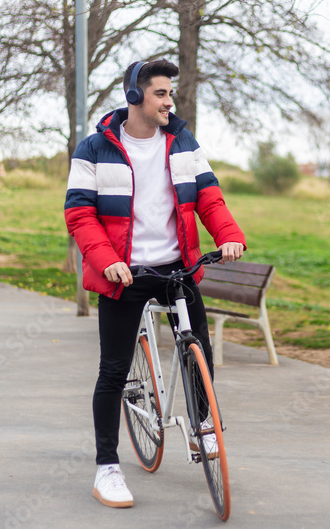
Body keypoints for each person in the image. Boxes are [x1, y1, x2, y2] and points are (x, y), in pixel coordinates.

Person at [64, 58, 246, 509]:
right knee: (113, 371)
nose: (170, 101)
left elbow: (208, 196)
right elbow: (80, 214)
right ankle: (107, 468)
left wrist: (228, 235)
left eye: (171, 93)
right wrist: (108, 262)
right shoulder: (94, 149)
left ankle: (205, 429)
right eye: (161, 93)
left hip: (174, 268)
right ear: (134, 97)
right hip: (125, 273)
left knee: (196, 351)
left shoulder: (182, 141)